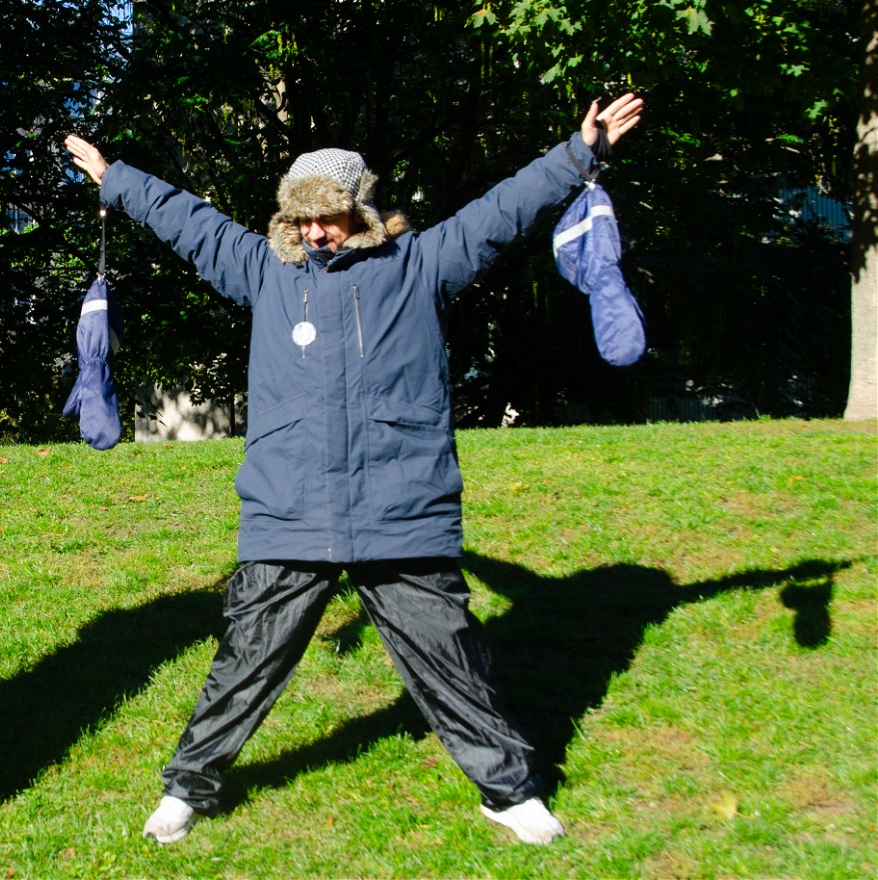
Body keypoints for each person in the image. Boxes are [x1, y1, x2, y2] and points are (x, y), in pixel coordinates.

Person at [65, 92, 643, 846]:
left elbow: (505, 209)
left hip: (399, 509)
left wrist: (580, 154)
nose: (313, 230)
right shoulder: (262, 269)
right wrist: (116, 179)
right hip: (289, 509)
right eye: (301, 218)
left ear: (362, 209)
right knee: (246, 660)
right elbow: (189, 224)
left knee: (451, 659)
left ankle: (508, 791)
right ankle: (189, 788)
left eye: (327, 215)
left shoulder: (423, 263)